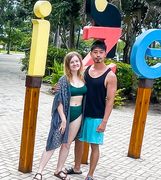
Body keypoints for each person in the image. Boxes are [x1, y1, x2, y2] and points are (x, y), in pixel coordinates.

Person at [59, 39, 117, 180]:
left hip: (96, 116)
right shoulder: (84, 71)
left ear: (105, 54)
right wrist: (58, 87)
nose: (98, 55)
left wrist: (104, 121)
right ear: (91, 54)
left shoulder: (110, 76)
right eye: (95, 52)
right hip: (81, 113)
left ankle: (90, 175)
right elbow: (71, 82)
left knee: (94, 146)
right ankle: (77, 168)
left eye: (101, 52)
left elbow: (110, 100)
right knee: (78, 141)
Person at [33, 52, 86, 180]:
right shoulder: (64, 80)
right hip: (64, 116)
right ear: (68, 64)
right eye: (72, 62)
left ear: (80, 62)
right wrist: (63, 119)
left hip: (78, 114)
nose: (75, 64)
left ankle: (58, 170)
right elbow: (59, 100)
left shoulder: (83, 78)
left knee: (67, 144)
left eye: (77, 61)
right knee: (53, 142)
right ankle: (39, 172)